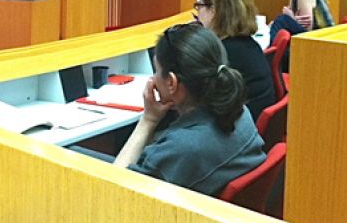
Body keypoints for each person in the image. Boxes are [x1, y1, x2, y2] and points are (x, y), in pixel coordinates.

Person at [114, 23, 266, 196]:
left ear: (171, 82)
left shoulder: (181, 149)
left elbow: (114, 193)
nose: (153, 78)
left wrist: (148, 121)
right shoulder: (240, 112)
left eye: (156, 71)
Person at [196, 0, 277, 120]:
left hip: (234, 131)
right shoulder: (247, 45)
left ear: (213, 11)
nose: (197, 12)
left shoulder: (224, 55)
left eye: (199, 5)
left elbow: (196, 104)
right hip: (247, 128)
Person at [268, 0, 334, 72]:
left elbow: (307, 30)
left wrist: (290, 17)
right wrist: (291, 18)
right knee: (279, 22)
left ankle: (270, 57)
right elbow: (295, 23)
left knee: (282, 20)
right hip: (308, 37)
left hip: (318, 41)